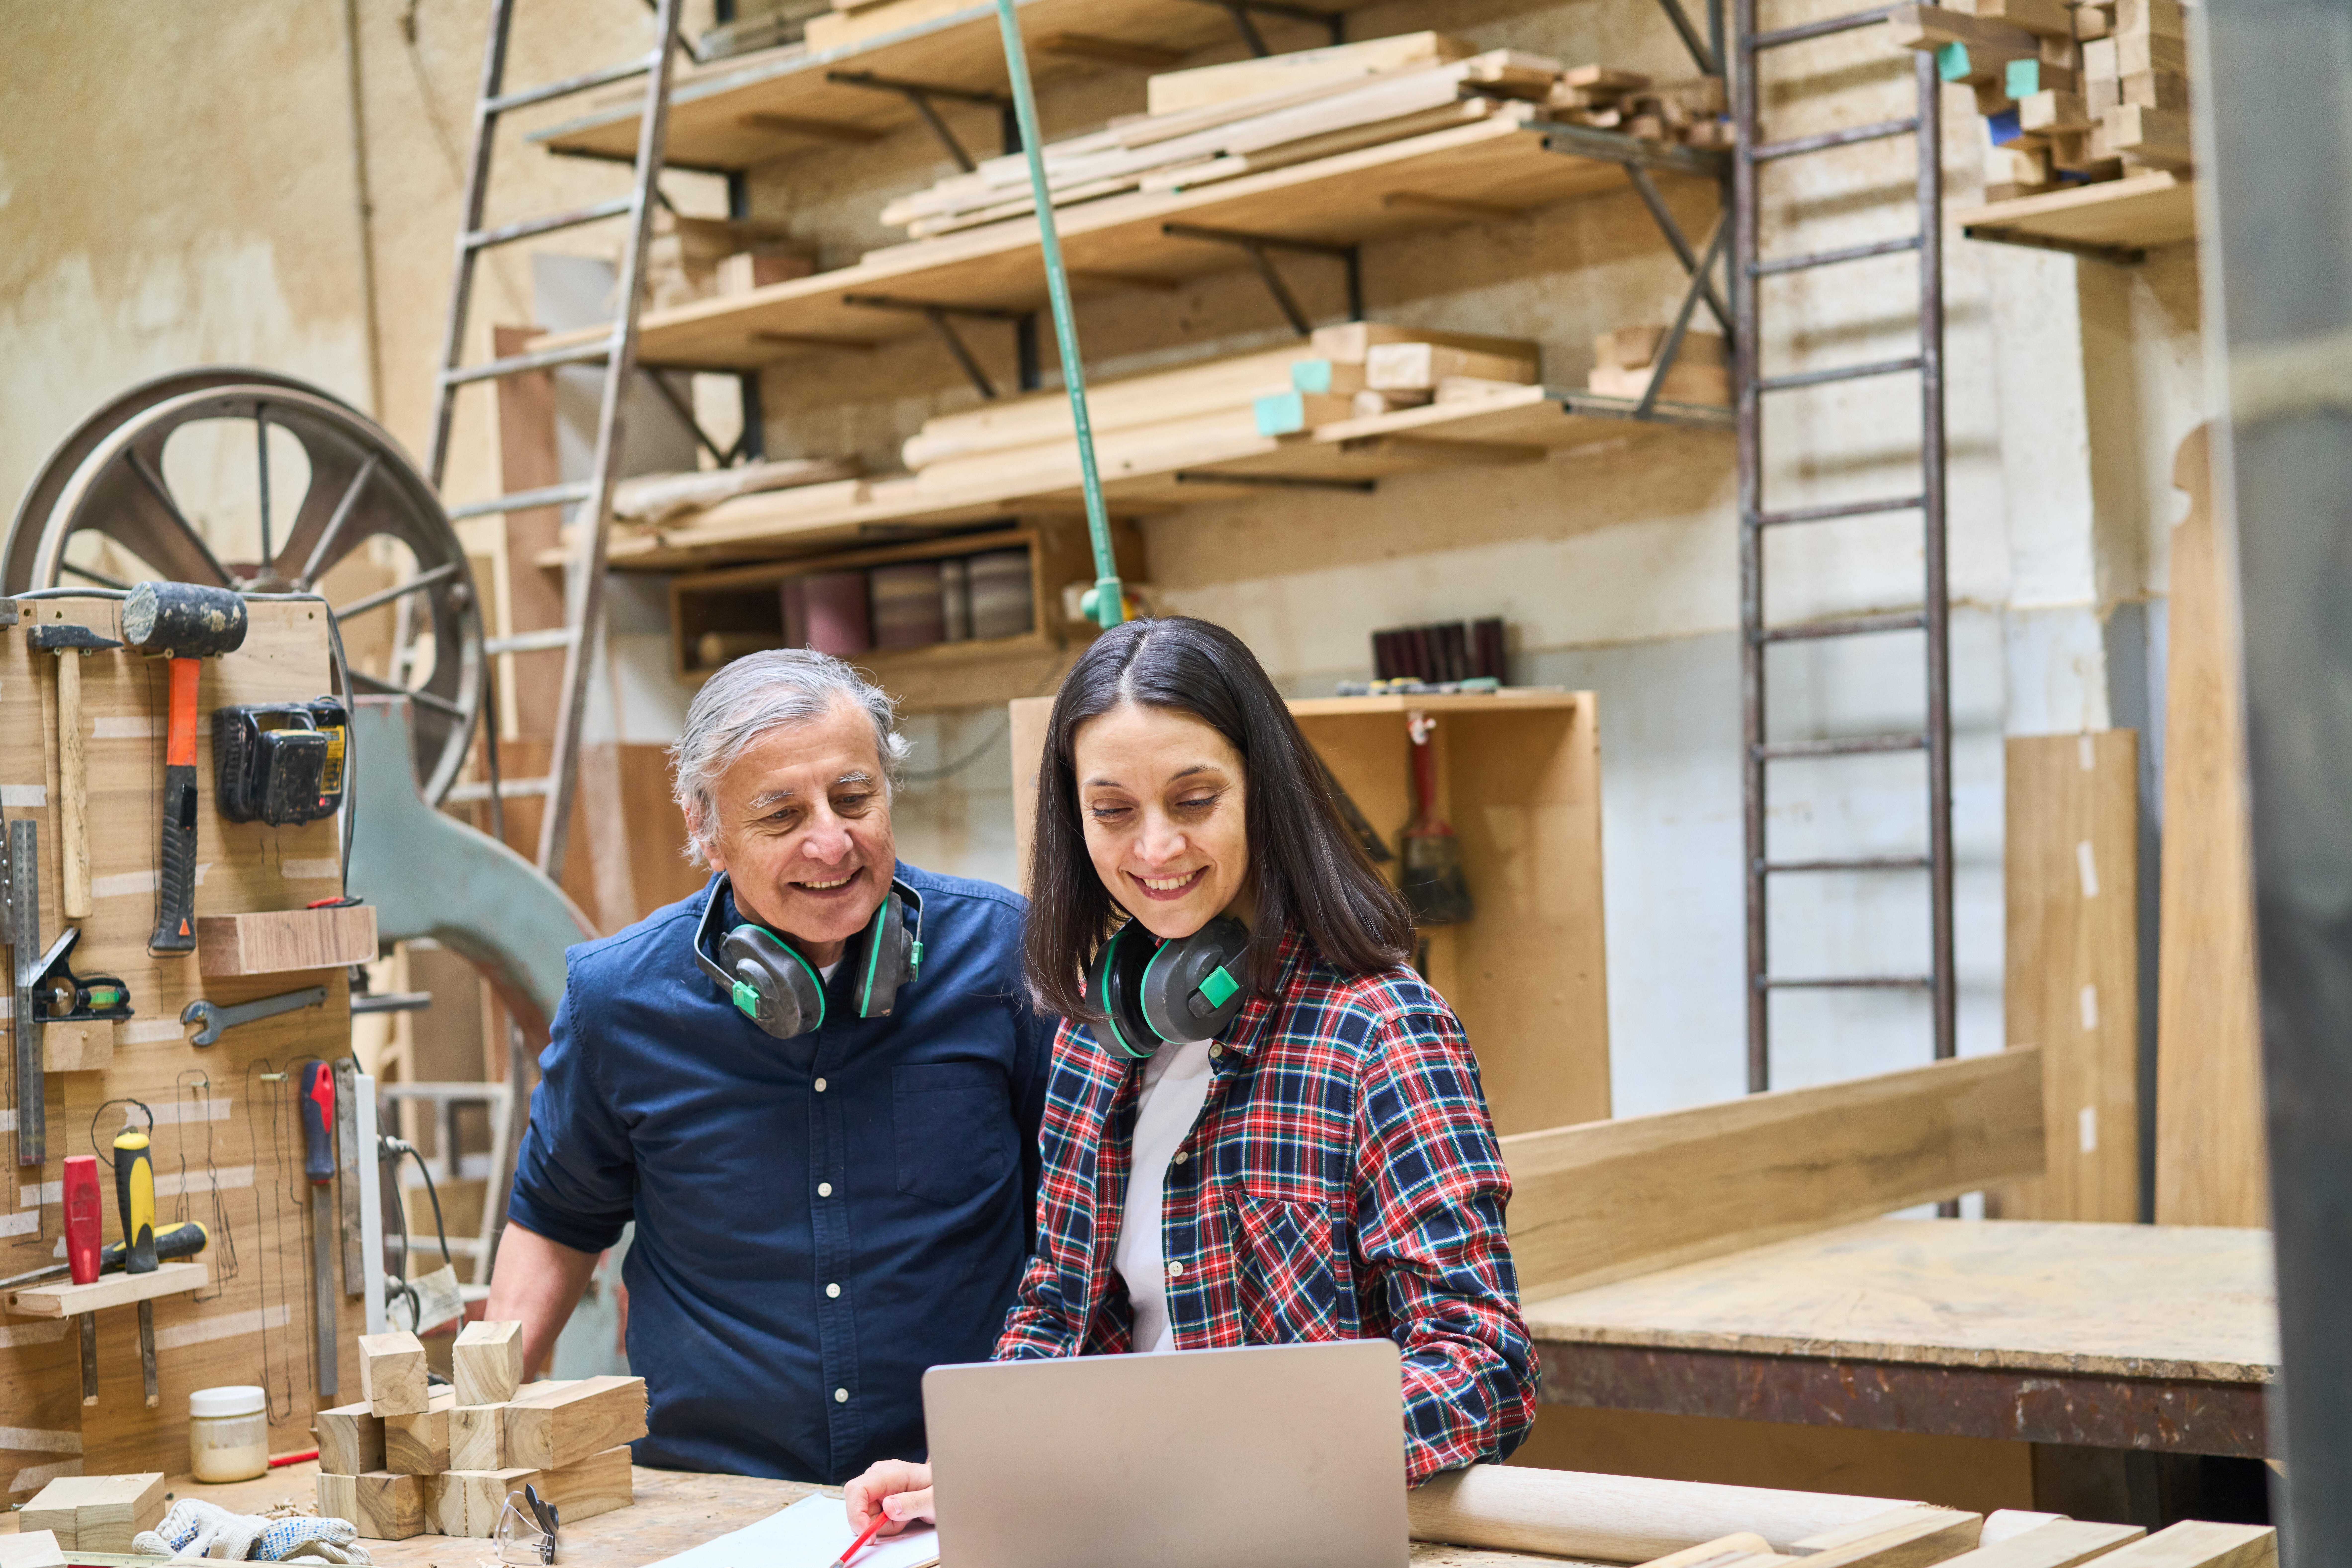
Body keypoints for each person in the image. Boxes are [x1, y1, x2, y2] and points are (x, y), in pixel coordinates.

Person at [846, 616, 1536, 1532]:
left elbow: (1482, 1361)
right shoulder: (1097, 1038)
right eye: (1115, 811)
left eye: (1195, 799)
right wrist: (987, 1466)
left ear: (1264, 792)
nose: (1156, 848)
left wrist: (1232, 1463)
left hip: (1293, 1532)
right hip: (1127, 1524)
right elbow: (1061, 1309)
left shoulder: (1382, 1031)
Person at [486, 650, 1051, 1483]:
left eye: (855, 798)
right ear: (704, 830)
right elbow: (557, 1223)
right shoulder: (615, 999)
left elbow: (1088, 1213)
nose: (832, 841)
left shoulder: (1006, 956)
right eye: (781, 816)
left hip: (963, 1479)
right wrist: (483, 1426)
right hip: (715, 1495)